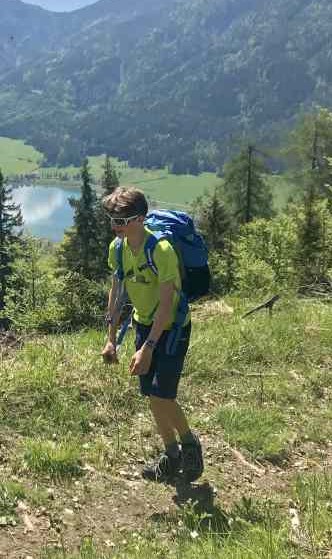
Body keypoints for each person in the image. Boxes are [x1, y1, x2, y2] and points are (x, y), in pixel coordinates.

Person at [99, 187, 203, 484]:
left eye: (121, 220)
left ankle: (189, 445)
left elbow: (167, 303)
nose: (115, 226)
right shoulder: (117, 249)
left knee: (162, 394)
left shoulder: (161, 251)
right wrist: (110, 338)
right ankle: (171, 457)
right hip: (143, 324)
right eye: (112, 220)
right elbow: (117, 291)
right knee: (152, 396)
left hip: (172, 329)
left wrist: (148, 347)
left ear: (140, 219)